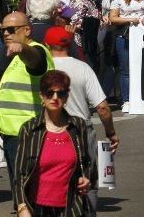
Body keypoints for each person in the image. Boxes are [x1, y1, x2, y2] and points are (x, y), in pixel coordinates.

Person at [44, 27, 119, 215]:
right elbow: (102, 107)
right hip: (81, 130)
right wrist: (110, 133)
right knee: (88, 180)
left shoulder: (43, 68)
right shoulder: (82, 68)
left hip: (49, 130)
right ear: (69, 44)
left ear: (46, 45)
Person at [13, 70, 92, 217]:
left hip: (71, 208)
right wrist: (22, 207)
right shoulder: (29, 129)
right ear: (41, 96)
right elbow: (20, 174)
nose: (55, 98)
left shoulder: (77, 125)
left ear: (67, 97)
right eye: (49, 93)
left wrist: (86, 179)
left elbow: (86, 162)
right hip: (37, 208)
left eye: (61, 93)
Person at [0, 11, 55, 192]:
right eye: (2, 30)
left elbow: (35, 59)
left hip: (27, 133)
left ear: (27, 30)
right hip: (12, 134)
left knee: (28, 192)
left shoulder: (36, 50)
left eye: (11, 30)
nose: (5, 34)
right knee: (21, 191)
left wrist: (23, 49)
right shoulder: (11, 57)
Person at [108, 0, 144, 113]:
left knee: (142, 67)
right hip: (123, 36)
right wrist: (129, 19)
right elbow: (113, 18)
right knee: (125, 69)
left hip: (142, 37)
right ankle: (126, 100)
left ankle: (140, 97)